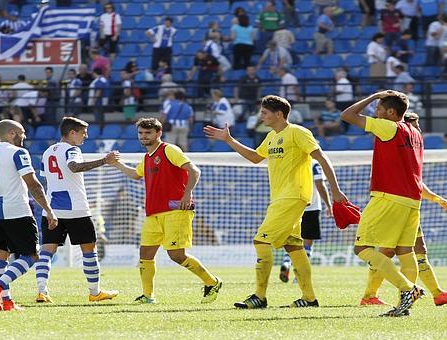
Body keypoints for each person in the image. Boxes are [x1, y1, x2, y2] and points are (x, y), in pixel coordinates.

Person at [204, 95, 347, 309]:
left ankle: (259, 297)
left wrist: (335, 191)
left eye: (264, 112)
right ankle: (309, 298)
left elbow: (322, 158)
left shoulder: (298, 132)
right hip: (281, 197)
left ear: (279, 114)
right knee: (294, 247)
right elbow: (255, 158)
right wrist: (229, 140)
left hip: (293, 195)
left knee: (261, 241)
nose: (261, 116)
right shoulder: (271, 136)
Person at [112, 118, 223, 304]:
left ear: (158, 133)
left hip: (176, 211)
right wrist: (116, 164)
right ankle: (148, 296)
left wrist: (187, 194)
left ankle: (212, 282)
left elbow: (194, 171)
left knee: (176, 255)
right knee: (145, 254)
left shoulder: (169, 150)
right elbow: (135, 174)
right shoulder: (147, 158)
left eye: (148, 133)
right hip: (153, 213)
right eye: (141, 133)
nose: (144, 136)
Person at [340, 90, 424, 317]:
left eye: (378, 109)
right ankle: (404, 305)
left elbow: (347, 115)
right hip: (412, 200)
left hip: (389, 197)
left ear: (391, 112)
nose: (375, 113)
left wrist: (372, 96)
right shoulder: (416, 133)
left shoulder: (389, 127)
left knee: (362, 248)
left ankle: (407, 289)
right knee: (405, 251)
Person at [360, 113, 447, 307]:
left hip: (409, 205)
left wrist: (436, 198)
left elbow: (416, 183)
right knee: (388, 251)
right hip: (395, 206)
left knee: (417, 250)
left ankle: (435, 293)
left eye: (417, 125)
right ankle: (370, 295)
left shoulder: (411, 149)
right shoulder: (395, 145)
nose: (415, 130)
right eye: (412, 125)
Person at [32, 117, 120, 303]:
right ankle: (95, 292)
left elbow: (44, 178)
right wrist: (105, 160)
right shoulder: (72, 150)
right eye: (83, 133)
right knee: (89, 249)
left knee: (47, 250)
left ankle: (42, 291)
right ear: (72, 132)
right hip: (75, 208)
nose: (85, 136)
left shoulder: (47, 152)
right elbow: (73, 167)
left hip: (53, 207)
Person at [0, 120, 58, 311]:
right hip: (16, 209)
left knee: (1, 254)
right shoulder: (18, 153)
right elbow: (33, 184)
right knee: (32, 255)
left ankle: (7, 302)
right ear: (12, 133)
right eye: (22, 132)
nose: (25, 136)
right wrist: (49, 210)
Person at [280, 160, 332, 282]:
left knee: (292, 240)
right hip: (311, 207)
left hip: (292, 205)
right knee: (307, 244)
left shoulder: (290, 162)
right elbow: (319, 183)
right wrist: (328, 205)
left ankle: (286, 262)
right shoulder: (314, 163)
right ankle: (299, 275)